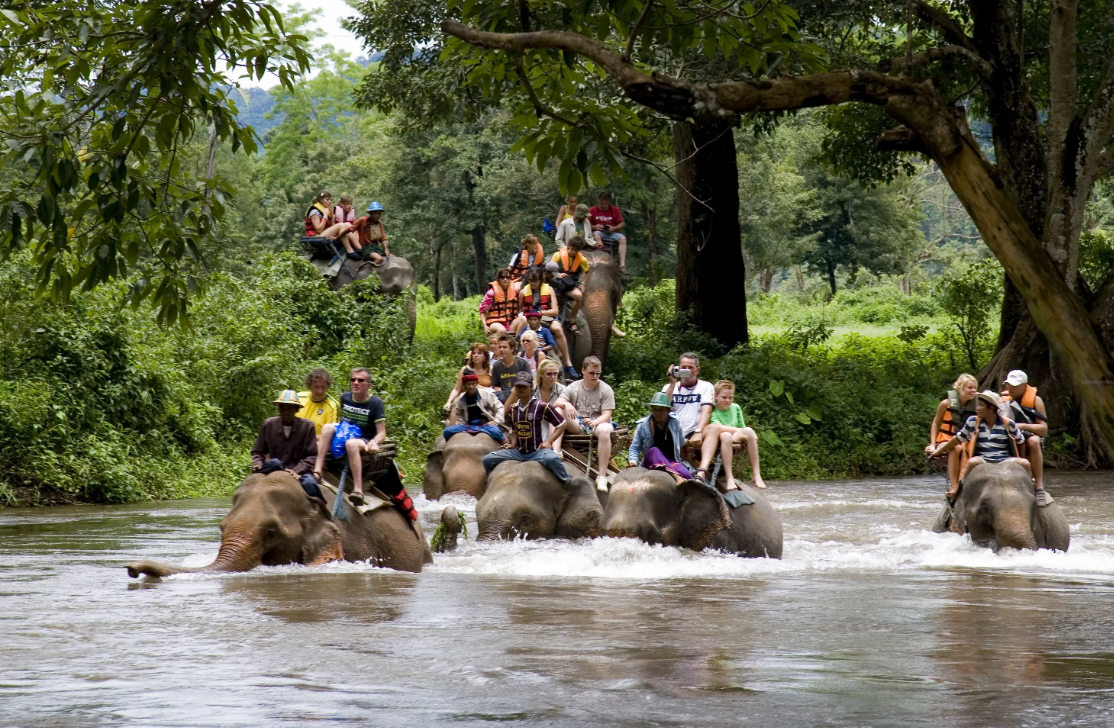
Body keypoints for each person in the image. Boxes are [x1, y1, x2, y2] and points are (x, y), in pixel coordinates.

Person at [928, 390, 1045, 505]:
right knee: (972, 462)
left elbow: (1021, 441)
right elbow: (958, 439)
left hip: (1004, 459)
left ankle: (1030, 490)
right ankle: (960, 490)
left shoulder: (1008, 424)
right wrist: (939, 450)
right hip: (983, 458)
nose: (977, 408)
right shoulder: (973, 421)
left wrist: (1022, 453)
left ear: (991, 409)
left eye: (981, 405)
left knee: (1024, 463)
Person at [482, 371, 571, 483]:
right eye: (518, 386)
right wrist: (512, 443)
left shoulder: (541, 406)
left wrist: (549, 441)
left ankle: (567, 483)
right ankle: (489, 483)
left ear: (531, 387)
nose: (521, 389)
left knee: (552, 459)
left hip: (537, 451)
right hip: (519, 452)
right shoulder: (512, 408)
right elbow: (514, 430)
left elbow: (562, 424)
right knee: (487, 459)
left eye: (524, 386)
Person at [312, 367, 386, 498]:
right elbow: (342, 423)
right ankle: (317, 471)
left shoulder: (375, 403)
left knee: (351, 444)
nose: (356, 383)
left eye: (360, 380)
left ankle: (358, 490)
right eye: (353, 379)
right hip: (345, 432)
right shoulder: (345, 398)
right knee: (327, 427)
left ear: (368, 385)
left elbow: (381, 432)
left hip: (364, 438)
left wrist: (374, 442)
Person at [557, 355, 616, 491]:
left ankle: (601, 476)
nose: (595, 376)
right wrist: (567, 404)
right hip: (578, 423)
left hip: (597, 425)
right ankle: (556, 451)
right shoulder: (574, 387)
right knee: (559, 410)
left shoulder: (605, 389)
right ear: (583, 371)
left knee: (605, 429)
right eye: (592, 373)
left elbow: (607, 414)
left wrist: (595, 421)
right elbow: (557, 403)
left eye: (598, 373)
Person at [251, 390, 320, 495]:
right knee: (275, 463)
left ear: (296, 409)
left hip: (300, 471)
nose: (285, 412)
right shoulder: (269, 425)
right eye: (282, 407)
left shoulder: (307, 427)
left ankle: (320, 507)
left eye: (289, 408)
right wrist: (258, 464)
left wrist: (297, 470)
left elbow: (312, 455)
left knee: (310, 484)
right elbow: (257, 451)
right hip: (275, 467)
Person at [662, 353, 716, 481]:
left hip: (693, 432)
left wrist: (698, 432)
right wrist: (672, 384)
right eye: (683, 367)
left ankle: (702, 471)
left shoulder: (705, 386)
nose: (686, 371)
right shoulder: (669, 387)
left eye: (690, 367)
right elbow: (662, 409)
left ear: (698, 370)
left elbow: (706, 411)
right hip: (672, 432)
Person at [519, 265, 578, 379]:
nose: (532, 283)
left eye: (535, 281)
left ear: (540, 279)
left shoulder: (549, 289)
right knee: (520, 323)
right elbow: (520, 310)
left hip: (545, 316)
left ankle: (568, 363)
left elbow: (555, 311)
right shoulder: (523, 292)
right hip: (529, 318)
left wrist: (541, 313)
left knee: (558, 329)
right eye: (530, 280)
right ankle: (516, 353)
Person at [707, 380, 765, 490]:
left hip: (735, 436)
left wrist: (749, 433)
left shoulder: (736, 407)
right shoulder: (712, 410)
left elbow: (742, 427)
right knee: (726, 435)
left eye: (730, 397)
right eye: (724, 397)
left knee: (748, 430)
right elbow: (719, 428)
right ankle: (729, 477)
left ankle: (756, 474)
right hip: (720, 438)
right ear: (716, 396)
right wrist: (739, 431)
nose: (728, 400)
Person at [926, 373, 979, 494]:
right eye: (969, 388)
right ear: (961, 388)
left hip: (965, 440)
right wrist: (933, 444)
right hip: (946, 439)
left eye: (974, 388)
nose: (973, 391)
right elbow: (936, 423)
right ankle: (954, 486)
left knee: (966, 447)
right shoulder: (945, 404)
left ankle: (966, 481)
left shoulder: (977, 406)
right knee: (955, 447)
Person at [628, 391, 693, 484]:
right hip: (651, 461)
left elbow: (681, 442)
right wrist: (633, 462)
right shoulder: (643, 425)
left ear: (668, 410)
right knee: (654, 450)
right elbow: (634, 447)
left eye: (661, 409)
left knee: (686, 475)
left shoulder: (675, 422)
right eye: (655, 409)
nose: (658, 413)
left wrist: (689, 444)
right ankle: (675, 476)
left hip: (670, 462)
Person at [1000, 369, 1048, 496]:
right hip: (1008, 435)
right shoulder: (1002, 400)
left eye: (1015, 385)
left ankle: (1039, 485)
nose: (1011, 388)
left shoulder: (1035, 401)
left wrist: (1022, 426)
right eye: (1009, 384)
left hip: (1028, 434)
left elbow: (1043, 429)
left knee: (1033, 441)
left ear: (1024, 386)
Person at [444, 369, 506, 443]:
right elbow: (459, 414)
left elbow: (499, 407)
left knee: (496, 432)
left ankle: (506, 443)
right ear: (464, 385)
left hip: (485, 425)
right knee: (447, 431)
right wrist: (461, 425)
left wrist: (496, 420)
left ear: (476, 384)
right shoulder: (460, 398)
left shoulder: (486, 394)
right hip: (468, 426)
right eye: (468, 384)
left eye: (473, 384)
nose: (471, 386)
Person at [550, 235, 591, 330]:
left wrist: (582, 283)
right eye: (572, 249)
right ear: (568, 246)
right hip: (556, 284)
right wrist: (558, 275)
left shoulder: (582, 259)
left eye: (576, 250)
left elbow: (588, 272)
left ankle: (572, 320)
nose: (573, 252)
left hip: (568, 285)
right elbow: (550, 269)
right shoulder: (558, 255)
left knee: (579, 296)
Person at [444, 343, 494, 412]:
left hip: (486, 400)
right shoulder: (465, 369)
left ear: (485, 356)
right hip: (468, 399)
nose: (476, 355)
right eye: (474, 353)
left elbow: (494, 388)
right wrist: (449, 402)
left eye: (479, 353)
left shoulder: (490, 369)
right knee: (455, 408)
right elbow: (457, 389)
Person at [304, 191, 355, 257]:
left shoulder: (326, 210)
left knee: (348, 225)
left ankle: (359, 248)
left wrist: (331, 218)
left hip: (324, 235)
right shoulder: (314, 211)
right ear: (321, 200)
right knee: (341, 225)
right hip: (316, 238)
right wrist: (325, 216)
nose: (330, 201)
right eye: (327, 200)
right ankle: (349, 251)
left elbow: (331, 228)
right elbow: (318, 230)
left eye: (330, 199)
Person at [589, 190, 627, 274]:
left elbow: (622, 223)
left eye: (605, 204)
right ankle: (604, 257)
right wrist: (595, 226)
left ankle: (622, 265)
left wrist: (613, 228)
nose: (603, 206)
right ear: (598, 201)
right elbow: (585, 224)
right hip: (598, 232)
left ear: (608, 202)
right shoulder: (592, 210)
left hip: (612, 232)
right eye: (601, 204)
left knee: (623, 239)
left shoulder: (614, 209)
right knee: (596, 235)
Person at [534, 358, 567, 453]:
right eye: (549, 374)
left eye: (555, 374)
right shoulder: (533, 390)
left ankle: (555, 450)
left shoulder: (562, 390)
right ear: (541, 374)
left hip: (557, 424)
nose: (553, 377)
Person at [297, 368, 340, 436]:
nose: (320, 391)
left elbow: (331, 437)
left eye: (323, 387)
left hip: (320, 443)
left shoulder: (333, 406)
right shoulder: (299, 398)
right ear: (309, 386)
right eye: (316, 387)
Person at [490, 333, 533, 402]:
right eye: (500, 347)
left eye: (504, 347)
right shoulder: (496, 365)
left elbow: (528, 383)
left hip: (520, 395)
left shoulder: (522, 363)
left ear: (512, 349)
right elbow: (495, 386)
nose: (501, 350)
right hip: (503, 396)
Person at [479, 268, 520, 335]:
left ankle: (516, 343)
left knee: (524, 320)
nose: (505, 279)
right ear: (498, 279)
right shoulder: (491, 292)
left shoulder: (515, 291)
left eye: (507, 277)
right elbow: (482, 310)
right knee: (502, 330)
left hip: (510, 321)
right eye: (502, 277)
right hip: (495, 322)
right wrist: (484, 325)